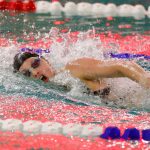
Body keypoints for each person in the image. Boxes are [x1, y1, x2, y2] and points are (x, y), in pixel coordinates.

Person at [13, 52, 150, 101]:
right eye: (27, 73)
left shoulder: (73, 69)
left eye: (36, 64)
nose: (35, 72)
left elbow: (121, 65)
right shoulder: (60, 87)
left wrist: (144, 79)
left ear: (46, 60)